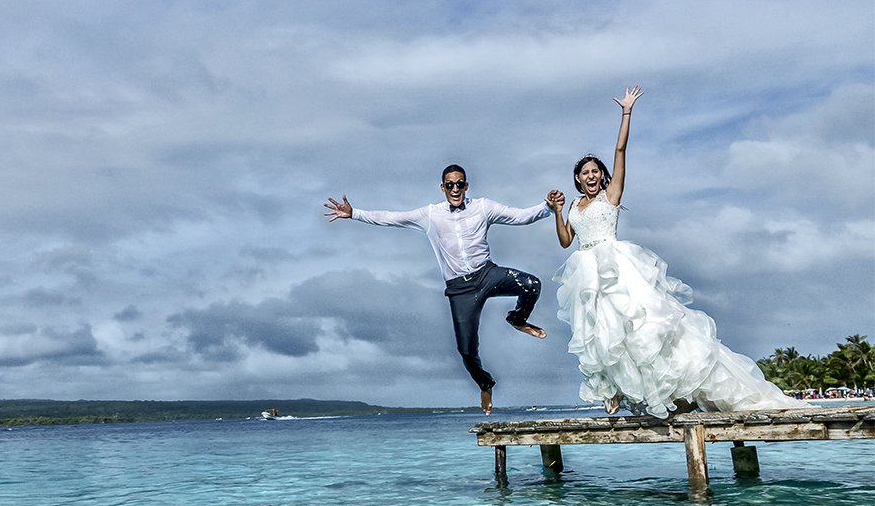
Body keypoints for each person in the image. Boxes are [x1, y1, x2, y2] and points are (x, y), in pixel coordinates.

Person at [548, 85, 809, 418]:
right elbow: (565, 240)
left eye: (595, 171)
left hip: (616, 263)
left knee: (639, 325)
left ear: (602, 176)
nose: (592, 176)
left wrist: (626, 113)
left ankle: (671, 388)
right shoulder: (573, 204)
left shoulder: (610, 195)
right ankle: (612, 390)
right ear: (576, 178)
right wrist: (557, 212)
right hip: (585, 270)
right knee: (600, 331)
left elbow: (620, 150)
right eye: (585, 173)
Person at [325, 165, 560, 414]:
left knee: (532, 284)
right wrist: (355, 213)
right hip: (460, 290)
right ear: (442, 188)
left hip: (487, 274)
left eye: (460, 184)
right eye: (450, 185)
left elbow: (520, 216)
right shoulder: (431, 214)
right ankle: (485, 383)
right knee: (466, 350)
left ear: (466, 186)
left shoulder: (482, 207)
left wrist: (546, 206)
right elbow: (392, 218)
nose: (455, 189)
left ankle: (517, 318)